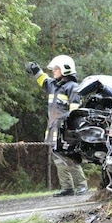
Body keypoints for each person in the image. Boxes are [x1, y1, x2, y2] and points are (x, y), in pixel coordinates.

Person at [26, 55, 88, 197]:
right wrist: (35, 69)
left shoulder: (72, 87)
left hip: (66, 128)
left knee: (69, 156)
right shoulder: (53, 85)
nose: (54, 71)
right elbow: (43, 79)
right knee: (57, 158)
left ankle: (81, 185)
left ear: (65, 70)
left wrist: (71, 129)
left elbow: (75, 111)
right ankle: (67, 187)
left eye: (56, 68)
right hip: (53, 128)